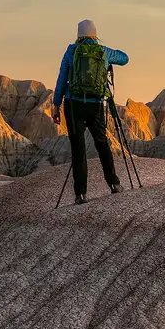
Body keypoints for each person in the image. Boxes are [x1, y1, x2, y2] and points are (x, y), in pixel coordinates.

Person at [52, 19, 129, 204]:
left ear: (78, 35)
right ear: (94, 34)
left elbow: (62, 78)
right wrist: (108, 59)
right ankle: (114, 184)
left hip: (73, 105)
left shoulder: (71, 51)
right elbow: (125, 58)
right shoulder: (103, 51)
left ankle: (80, 194)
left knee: (78, 149)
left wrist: (56, 105)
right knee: (102, 143)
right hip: (95, 104)